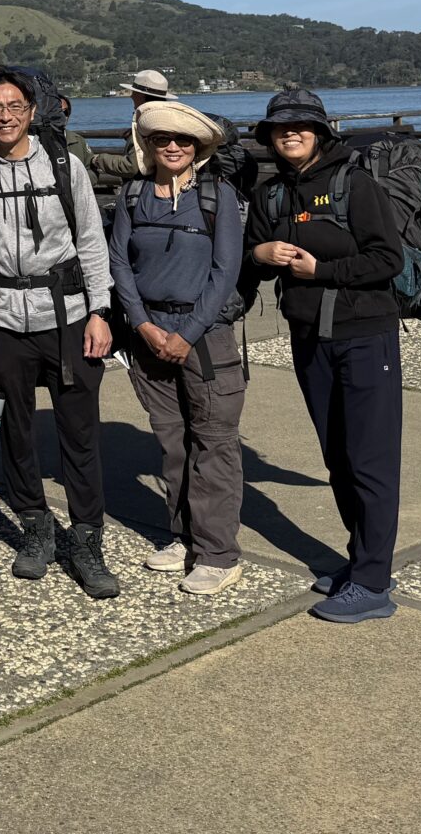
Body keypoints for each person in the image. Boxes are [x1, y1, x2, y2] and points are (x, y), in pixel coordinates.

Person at [0, 67, 119, 595]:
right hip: (2, 319)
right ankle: (35, 527)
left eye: (15, 106)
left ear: (32, 111)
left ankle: (87, 538)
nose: (4, 116)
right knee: (16, 431)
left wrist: (100, 311)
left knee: (80, 432)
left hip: (67, 315)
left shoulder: (65, 167)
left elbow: (91, 240)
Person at [245, 88, 405, 623]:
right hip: (310, 338)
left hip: (364, 335)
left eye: (301, 126)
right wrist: (259, 254)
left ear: (320, 132)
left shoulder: (352, 184)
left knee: (371, 461)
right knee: (338, 456)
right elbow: (252, 262)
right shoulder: (272, 195)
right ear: (269, 137)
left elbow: (387, 258)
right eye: (281, 127)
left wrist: (324, 272)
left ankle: (373, 583)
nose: (290, 133)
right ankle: (360, 562)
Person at [108, 100, 246, 595]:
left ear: (197, 149)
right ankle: (183, 534)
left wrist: (187, 333)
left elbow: (225, 269)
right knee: (170, 440)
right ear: (148, 145)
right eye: (162, 138)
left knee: (213, 441)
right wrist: (142, 326)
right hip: (147, 331)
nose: (172, 146)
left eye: (183, 140)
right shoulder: (131, 196)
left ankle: (218, 553)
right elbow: (118, 263)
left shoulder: (217, 196)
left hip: (204, 334)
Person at [88, 68, 179, 182]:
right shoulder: (168, 120)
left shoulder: (147, 126)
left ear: (141, 96)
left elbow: (132, 166)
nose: (131, 96)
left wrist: (98, 159)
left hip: (146, 190)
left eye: (134, 93)